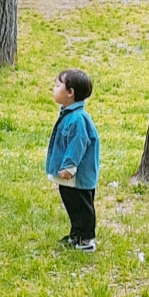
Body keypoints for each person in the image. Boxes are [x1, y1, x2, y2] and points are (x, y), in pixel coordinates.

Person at [45, 68, 100, 252]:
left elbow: (78, 143)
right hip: (70, 177)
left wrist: (69, 166)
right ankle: (76, 235)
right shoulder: (69, 115)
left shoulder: (77, 119)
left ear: (70, 92)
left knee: (81, 206)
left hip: (77, 176)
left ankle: (86, 240)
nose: (53, 89)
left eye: (57, 85)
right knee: (72, 205)